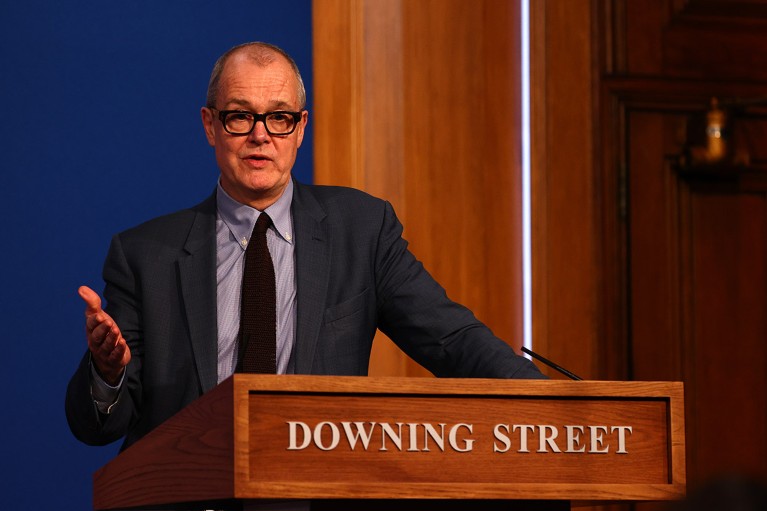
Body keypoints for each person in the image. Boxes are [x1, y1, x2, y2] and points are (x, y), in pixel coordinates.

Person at [65, 42, 545, 450]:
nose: (260, 136)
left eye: (278, 118)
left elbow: (454, 341)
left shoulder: (362, 230)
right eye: (239, 117)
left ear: (300, 128)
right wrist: (108, 373)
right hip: (192, 491)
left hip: (316, 489)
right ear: (210, 125)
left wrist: (566, 411)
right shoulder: (144, 255)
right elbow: (102, 426)